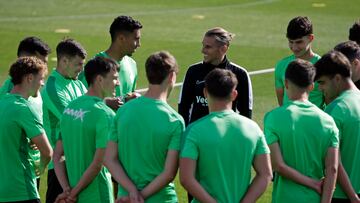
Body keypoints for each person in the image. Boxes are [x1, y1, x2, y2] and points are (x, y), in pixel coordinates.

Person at [180, 68, 272, 203]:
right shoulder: (253, 128)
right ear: (234, 94)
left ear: (205, 92)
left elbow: (186, 179)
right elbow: (265, 174)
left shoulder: (193, 130)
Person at [105, 51, 185, 203]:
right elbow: (168, 173)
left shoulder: (123, 111)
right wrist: (140, 197)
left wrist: (132, 192)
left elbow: (109, 159)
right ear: (171, 77)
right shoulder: (175, 121)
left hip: (125, 198)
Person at [264, 59, 339, 203]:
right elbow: (332, 169)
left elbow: (278, 165)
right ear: (311, 86)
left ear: (286, 83)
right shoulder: (328, 122)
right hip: (314, 198)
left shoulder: (273, 118)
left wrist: (313, 184)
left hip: (284, 198)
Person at [53, 57, 119, 203]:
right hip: (98, 195)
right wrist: (73, 194)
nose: (118, 83)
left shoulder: (70, 108)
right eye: (114, 78)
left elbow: (57, 156)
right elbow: (97, 163)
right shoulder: (105, 114)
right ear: (100, 80)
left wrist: (67, 190)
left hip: (72, 194)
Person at [0, 36, 51, 190]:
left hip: (29, 163)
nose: (42, 83)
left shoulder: (31, 91)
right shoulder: (13, 93)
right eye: (41, 61)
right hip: (20, 170)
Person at [41, 38, 87, 203]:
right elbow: (75, 119)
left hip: (78, 161)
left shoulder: (78, 84)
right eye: (78, 64)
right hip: (60, 167)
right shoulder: (52, 88)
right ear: (64, 61)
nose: (81, 70)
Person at [178, 27, 253, 127]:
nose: (203, 50)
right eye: (203, 45)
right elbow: (183, 107)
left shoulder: (240, 74)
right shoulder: (193, 71)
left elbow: (246, 113)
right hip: (198, 137)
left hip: (227, 137)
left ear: (223, 48)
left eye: (208, 47)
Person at [315, 51, 360, 203]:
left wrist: (353, 197)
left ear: (337, 79)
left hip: (343, 195)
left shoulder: (335, 110)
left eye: (322, 83)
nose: (320, 89)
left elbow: (334, 164)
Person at [79, 15, 142, 110]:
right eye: (136, 39)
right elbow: (79, 102)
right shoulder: (95, 66)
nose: (139, 44)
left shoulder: (132, 64)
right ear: (121, 39)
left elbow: (127, 98)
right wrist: (106, 103)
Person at [274, 16, 324, 108]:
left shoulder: (323, 66)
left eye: (299, 42)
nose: (294, 47)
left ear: (311, 38)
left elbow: (329, 100)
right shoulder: (281, 65)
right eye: (291, 42)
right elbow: (282, 104)